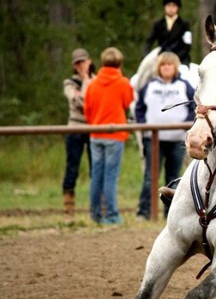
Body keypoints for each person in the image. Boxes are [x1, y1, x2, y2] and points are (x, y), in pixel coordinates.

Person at [135, 52, 195, 220]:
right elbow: (139, 108)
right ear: (158, 67)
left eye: (169, 64)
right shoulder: (149, 85)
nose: (166, 67)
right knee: (149, 177)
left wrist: (185, 123)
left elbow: (194, 106)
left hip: (176, 139)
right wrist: (143, 125)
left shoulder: (185, 86)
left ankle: (170, 214)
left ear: (175, 67)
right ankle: (144, 212)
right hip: (152, 140)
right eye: (163, 65)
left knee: (173, 177)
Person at [84, 47, 134, 224]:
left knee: (96, 175)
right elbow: (127, 102)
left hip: (96, 134)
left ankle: (95, 214)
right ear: (119, 63)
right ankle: (112, 214)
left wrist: (94, 125)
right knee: (110, 176)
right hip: (115, 135)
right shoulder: (123, 83)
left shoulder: (93, 84)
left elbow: (87, 110)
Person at [62, 48, 95, 218]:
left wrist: (88, 81)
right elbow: (81, 102)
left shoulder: (97, 80)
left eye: (84, 61)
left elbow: (96, 103)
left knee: (94, 168)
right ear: (74, 66)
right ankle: (69, 205)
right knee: (72, 166)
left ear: (89, 61)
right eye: (78, 63)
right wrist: (85, 81)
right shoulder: (69, 83)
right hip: (75, 128)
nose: (82, 66)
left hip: (93, 128)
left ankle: (96, 205)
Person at [142, 0, 192, 65]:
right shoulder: (157, 24)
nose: (171, 8)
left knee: (184, 72)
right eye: (168, 5)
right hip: (161, 58)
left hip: (180, 59)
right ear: (164, 7)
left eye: (174, 5)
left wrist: (174, 58)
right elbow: (149, 41)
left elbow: (187, 46)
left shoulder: (184, 24)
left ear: (178, 7)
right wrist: (146, 56)